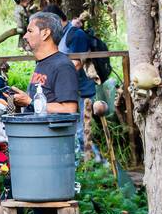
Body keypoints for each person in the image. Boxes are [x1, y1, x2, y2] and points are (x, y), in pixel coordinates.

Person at [10, 11, 80, 116]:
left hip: (49, 132)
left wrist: (30, 102)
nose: (25, 36)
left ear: (45, 33)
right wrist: (18, 102)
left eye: (30, 31)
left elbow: (69, 109)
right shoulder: (41, 63)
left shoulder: (63, 66)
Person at [60, 11, 99, 158]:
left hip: (84, 90)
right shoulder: (66, 34)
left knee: (83, 131)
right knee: (78, 130)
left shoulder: (77, 35)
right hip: (75, 90)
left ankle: (94, 165)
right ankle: (89, 164)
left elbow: (76, 64)